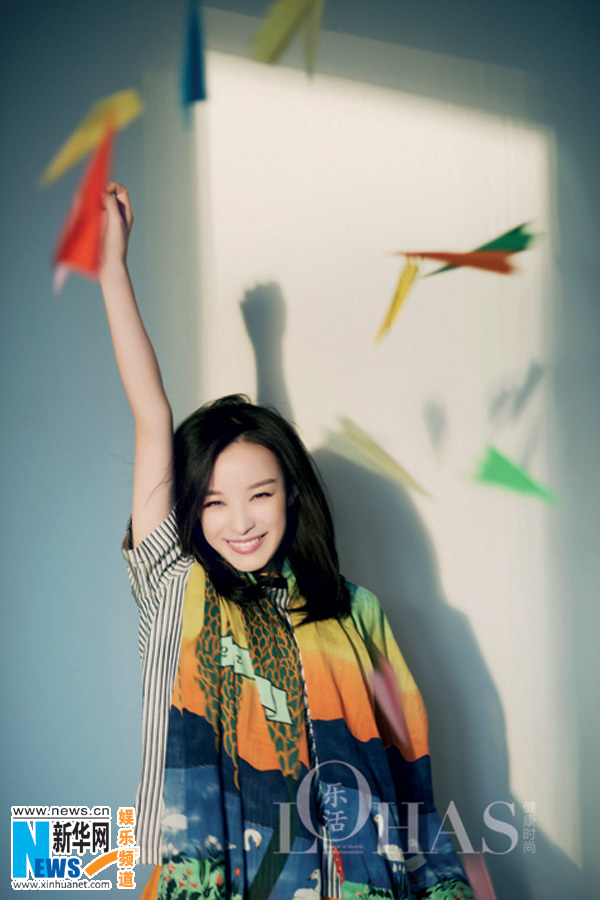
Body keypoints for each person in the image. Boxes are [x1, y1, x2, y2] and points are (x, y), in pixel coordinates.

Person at [99, 183, 476, 900]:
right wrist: (115, 269)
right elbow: (152, 416)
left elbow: (406, 769)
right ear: (189, 511)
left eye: (261, 495)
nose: (239, 521)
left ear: (292, 495)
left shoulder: (354, 611)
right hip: (213, 879)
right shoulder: (174, 582)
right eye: (213, 502)